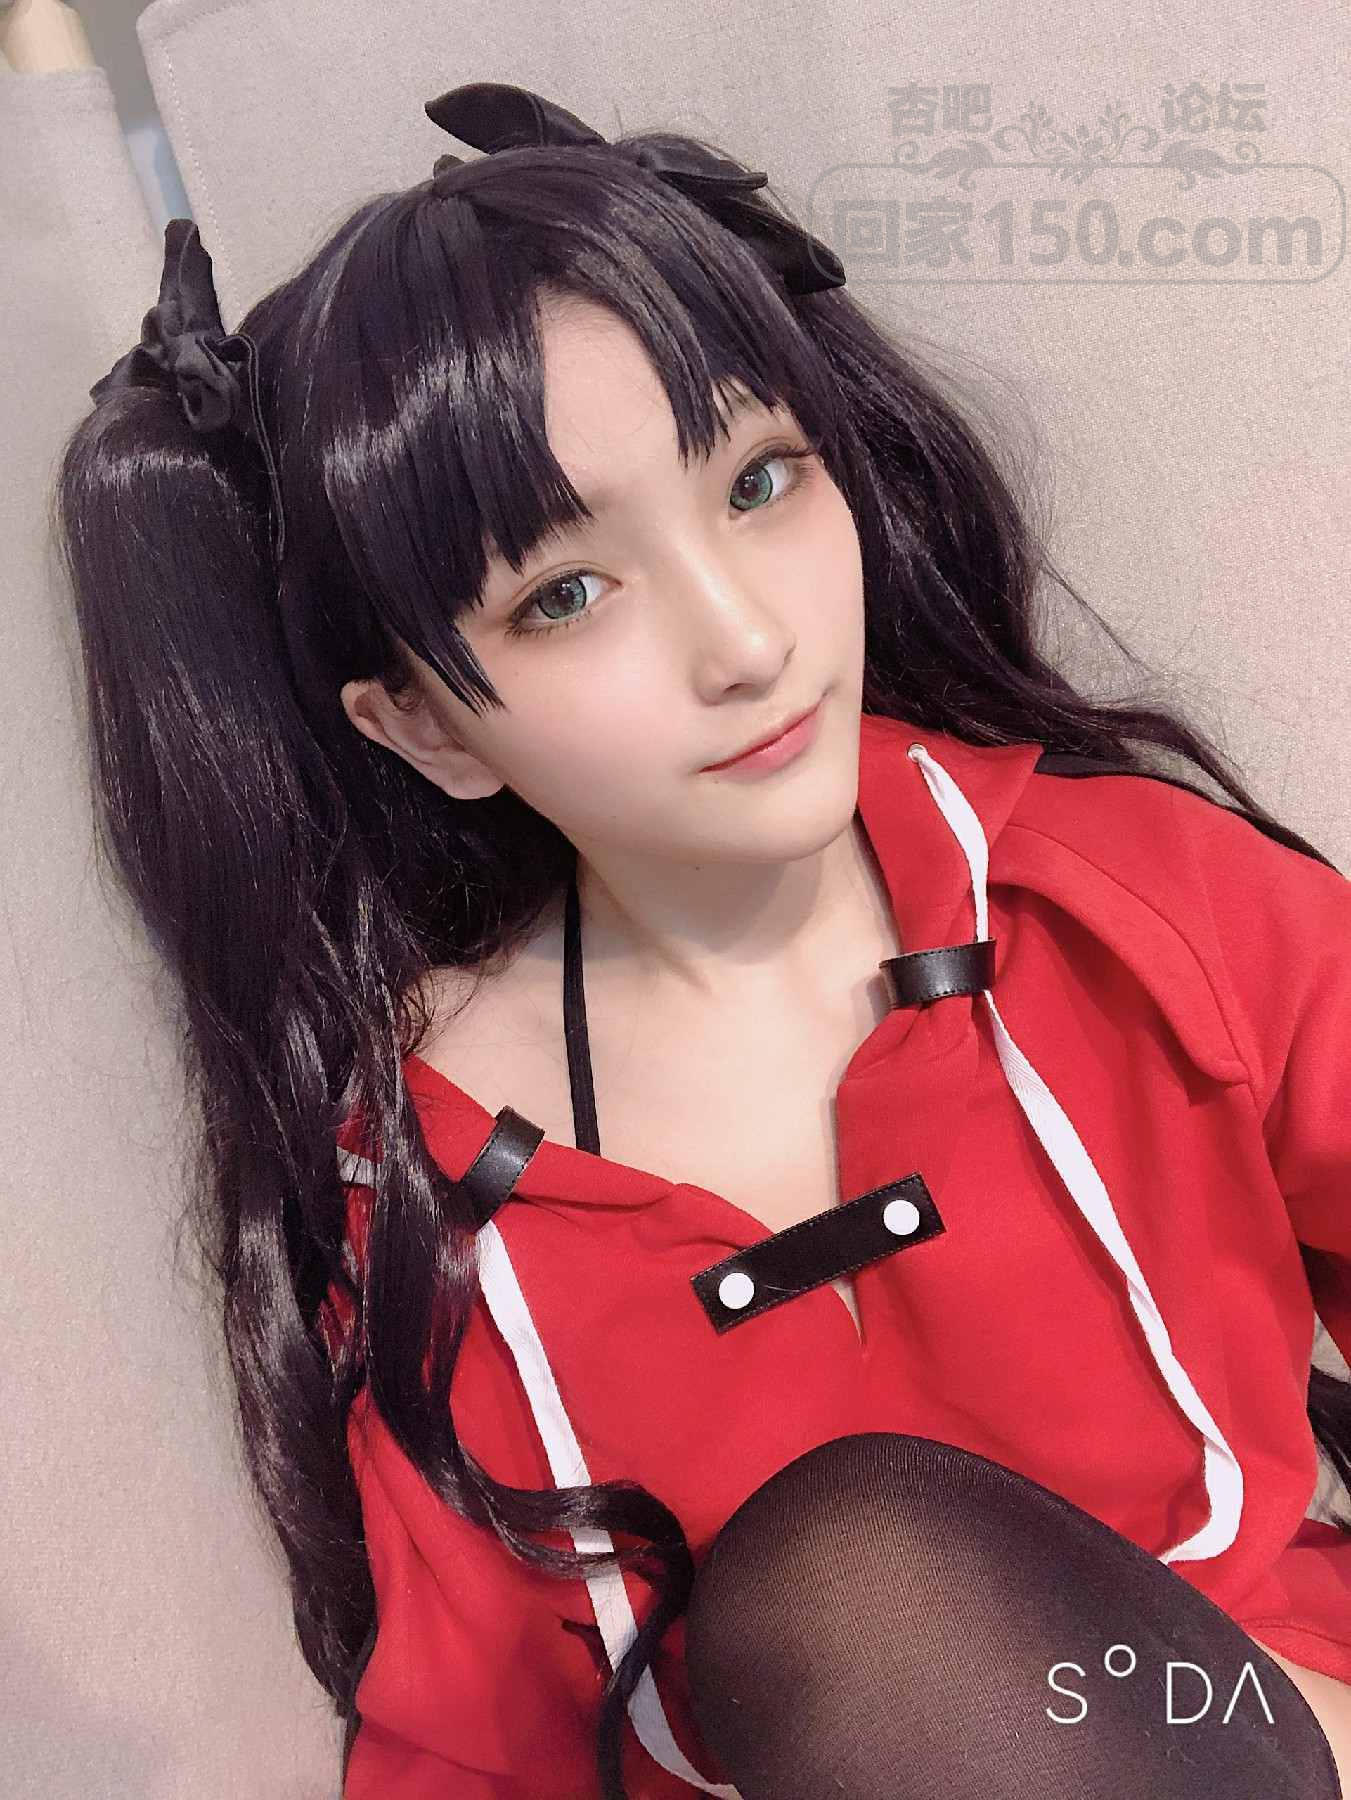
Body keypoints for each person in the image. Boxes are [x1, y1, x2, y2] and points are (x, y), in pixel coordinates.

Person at [56, 78, 1350, 1799]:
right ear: (424, 724)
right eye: (566, 594)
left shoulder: (1120, 898)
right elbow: (471, 1755)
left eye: (760, 481)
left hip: (1269, 1729)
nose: (747, 641)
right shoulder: (436, 1192)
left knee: (866, 1580)